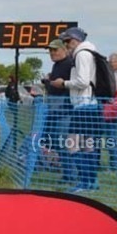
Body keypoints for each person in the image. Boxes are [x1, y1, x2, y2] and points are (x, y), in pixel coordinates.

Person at [49, 27, 100, 193]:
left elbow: (83, 81)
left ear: (75, 40)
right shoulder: (89, 52)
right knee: (88, 145)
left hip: (82, 105)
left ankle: (84, 182)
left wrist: (64, 83)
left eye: (67, 41)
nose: (66, 44)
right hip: (90, 104)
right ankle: (92, 181)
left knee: (72, 144)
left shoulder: (81, 54)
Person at [40, 39, 74, 182]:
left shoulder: (69, 64)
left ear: (64, 50)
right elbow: (54, 87)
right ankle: (67, 173)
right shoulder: (57, 65)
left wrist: (49, 83)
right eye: (50, 50)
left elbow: (64, 86)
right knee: (57, 142)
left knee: (64, 142)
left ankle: (71, 174)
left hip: (64, 110)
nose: (52, 53)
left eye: (55, 50)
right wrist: (48, 82)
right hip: (55, 110)